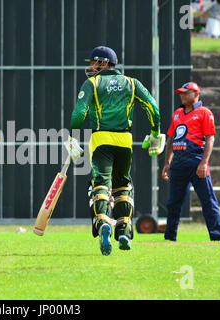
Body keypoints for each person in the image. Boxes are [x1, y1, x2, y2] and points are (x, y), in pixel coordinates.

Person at [65, 46, 162, 256]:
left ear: (104, 63)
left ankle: (103, 224)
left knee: (101, 184)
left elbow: (79, 112)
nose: (90, 67)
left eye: (93, 62)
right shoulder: (132, 83)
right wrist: (155, 132)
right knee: (122, 186)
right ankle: (124, 231)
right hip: (125, 141)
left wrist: (73, 136)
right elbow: (153, 107)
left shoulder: (93, 83)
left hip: (101, 139)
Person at [161, 82, 220, 242]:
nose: (182, 95)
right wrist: (167, 163)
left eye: (185, 93)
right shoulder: (177, 113)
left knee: (208, 201)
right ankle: (169, 238)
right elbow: (170, 139)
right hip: (178, 163)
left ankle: (217, 238)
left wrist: (204, 163)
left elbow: (210, 138)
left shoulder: (204, 112)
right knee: (173, 203)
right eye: (181, 93)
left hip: (197, 162)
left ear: (196, 94)